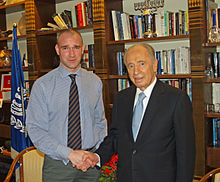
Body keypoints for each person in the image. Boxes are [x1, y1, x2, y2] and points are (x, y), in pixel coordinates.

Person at [82, 43, 195, 182]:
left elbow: (186, 153)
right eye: (131, 66)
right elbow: (115, 137)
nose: (136, 71)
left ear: (154, 65)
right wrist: (97, 157)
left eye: (142, 63)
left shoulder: (176, 99)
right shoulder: (121, 98)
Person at [26, 29, 107, 182]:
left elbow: (100, 122)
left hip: (90, 164)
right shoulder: (42, 85)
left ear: (83, 49)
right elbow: (36, 130)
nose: (71, 54)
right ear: (57, 50)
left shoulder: (95, 81)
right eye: (65, 48)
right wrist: (69, 154)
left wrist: (96, 154)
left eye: (76, 47)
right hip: (58, 165)